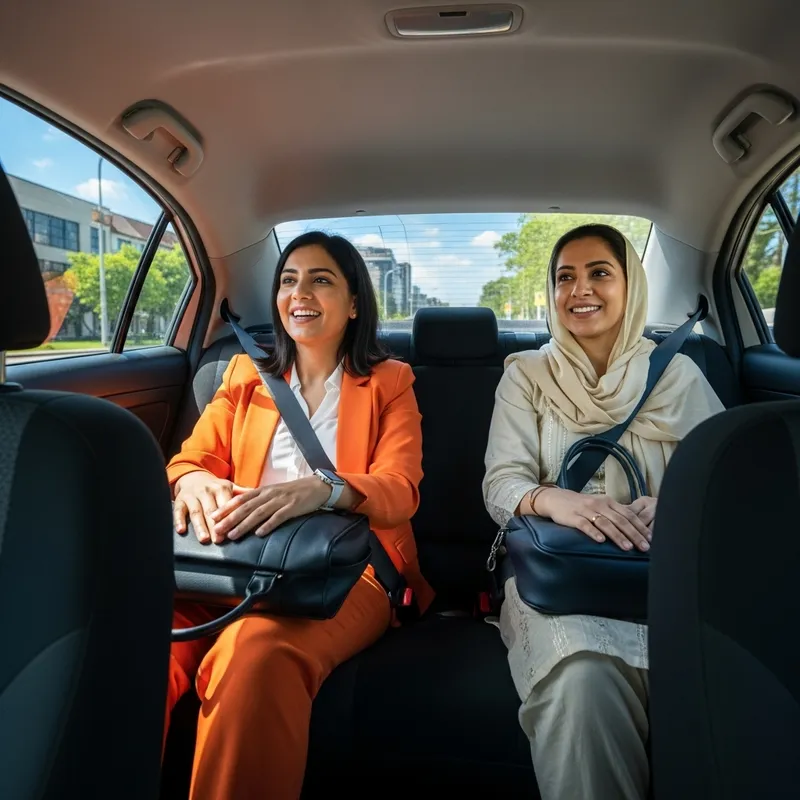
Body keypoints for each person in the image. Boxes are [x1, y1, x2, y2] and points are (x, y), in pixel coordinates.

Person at [165, 231, 434, 800]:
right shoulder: (243, 376)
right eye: (288, 280)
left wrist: (325, 489)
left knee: (254, 652)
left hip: (342, 571)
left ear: (355, 302)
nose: (299, 292)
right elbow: (190, 460)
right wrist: (194, 480)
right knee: (135, 646)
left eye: (320, 279)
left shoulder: (390, 383)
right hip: (225, 561)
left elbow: (398, 490)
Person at [482, 224, 724, 800]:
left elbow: (727, 483)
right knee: (583, 683)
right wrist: (556, 500)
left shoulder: (680, 376)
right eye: (565, 277)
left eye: (599, 273)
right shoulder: (525, 375)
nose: (579, 290)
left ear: (630, 285)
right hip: (559, 584)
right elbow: (500, 482)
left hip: (666, 579)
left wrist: (675, 507)